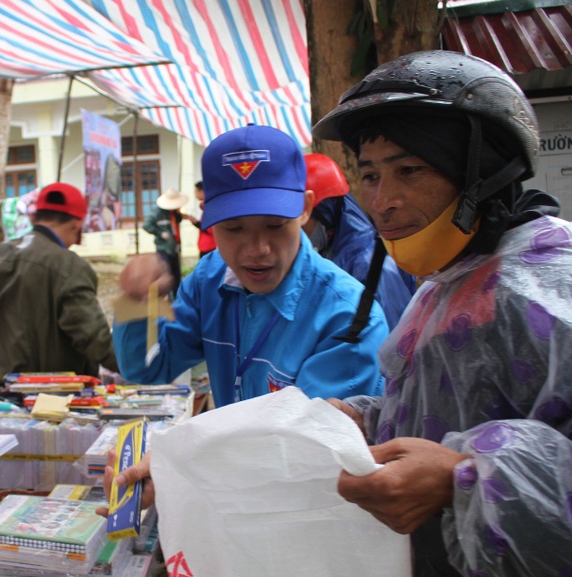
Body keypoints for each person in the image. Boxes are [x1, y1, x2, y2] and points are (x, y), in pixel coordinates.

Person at [308, 50, 572, 577]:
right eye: (369, 176)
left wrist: (462, 482)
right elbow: (454, 413)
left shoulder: (557, 298)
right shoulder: (448, 279)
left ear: (481, 168)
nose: (383, 201)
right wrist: (363, 421)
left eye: (409, 170)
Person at [113, 124, 389, 407]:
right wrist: (136, 303)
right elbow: (147, 369)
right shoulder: (209, 279)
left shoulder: (348, 318)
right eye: (233, 228)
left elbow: (310, 442)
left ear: (305, 208)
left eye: (274, 225)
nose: (257, 249)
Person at [0, 182, 118, 408]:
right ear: (77, 225)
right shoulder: (69, 267)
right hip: (42, 406)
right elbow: (94, 340)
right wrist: (140, 368)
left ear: (34, 218)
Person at [303, 153, 416, 329]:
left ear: (325, 213)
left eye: (304, 221)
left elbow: (393, 339)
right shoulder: (330, 254)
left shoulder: (371, 266)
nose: (298, 232)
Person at [143, 188, 187, 296]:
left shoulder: (173, 213)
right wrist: (159, 233)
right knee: (165, 273)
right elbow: (146, 225)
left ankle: (177, 296)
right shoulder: (157, 213)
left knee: (176, 274)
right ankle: (166, 297)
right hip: (163, 248)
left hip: (174, 247)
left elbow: (176, 223)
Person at [182, 180, 217, 258]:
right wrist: (194, 221)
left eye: (195, 192)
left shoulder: (209, 207)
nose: (195, 194)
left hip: (208, 245)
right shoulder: (206, 207)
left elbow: (209, 229)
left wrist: (196, 222)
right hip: (205, 245)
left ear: (202, 192)